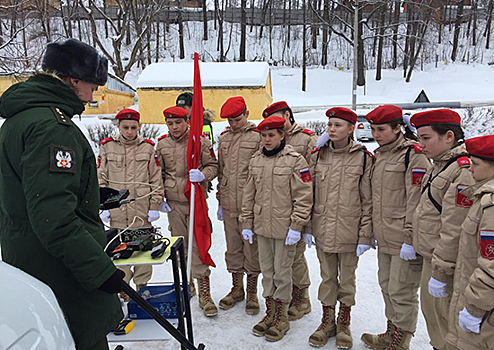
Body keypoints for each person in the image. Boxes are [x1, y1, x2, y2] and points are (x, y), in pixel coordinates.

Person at [0, 39, 123, 350]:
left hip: (27, 258)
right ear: (74, 80)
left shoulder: (19, 119)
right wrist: (100, 271)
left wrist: (88, 194)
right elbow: (53, 219)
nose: (94, 94)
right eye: (93, 86)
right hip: (61, 272)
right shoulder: (53, 128)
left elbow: (29, 191)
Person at [360, 105, 431, 350]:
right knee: (387, 287)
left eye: (381, 129)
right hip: (385, 237)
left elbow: (416, 202)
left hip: (404, 239)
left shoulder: (414, 156)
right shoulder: (379, 155)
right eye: (372, 129)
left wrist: (410, 239)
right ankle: (391, 332)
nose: (376, 134)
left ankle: (401, 341)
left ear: (397, 128)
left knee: (403, 292)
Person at [239, 116, 313, 342]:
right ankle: (270, 312)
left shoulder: (295, 161)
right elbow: (248, 194)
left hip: (284, 228)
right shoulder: (256, 160)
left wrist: (296, 226)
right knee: (268, 272)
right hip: (262, 227)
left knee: (282, 273)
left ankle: (281, 317)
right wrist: (247, 222)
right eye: (264, 135)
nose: (267, 140)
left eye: (272, 135)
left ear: (282, 135)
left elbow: (304, 196)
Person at [307, 107, 373, 348]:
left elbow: (368, 200)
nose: (332, 129)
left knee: (346, 279)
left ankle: (344, 322)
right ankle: (327, 321)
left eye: (338, 125)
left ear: (351, 128)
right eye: (330, 125)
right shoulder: (318, 155)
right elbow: (308, 193)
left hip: (349, 229)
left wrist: (365, 235)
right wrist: (306, 227)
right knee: (327, 278)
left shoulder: (363, 157)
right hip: (323, 227)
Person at [411, 109, 474, 350]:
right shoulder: (440, 165)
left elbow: (455, 228)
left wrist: (441, 270)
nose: (421, 144)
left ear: (449, 136)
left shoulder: (462, 171)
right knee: (434, 316)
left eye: (426, 138)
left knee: (447, 322)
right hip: (433, 256)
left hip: (446, 263)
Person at [155, 105, 219, 317]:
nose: (174, 127)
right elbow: (158, 173)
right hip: (174, 203)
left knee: (198, 246)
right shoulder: (162, 144)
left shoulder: (200, 141)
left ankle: (205, 294)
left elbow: (213, 166)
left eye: (178, 123)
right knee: (180, 247)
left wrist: (202, 175)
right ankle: (186, 285)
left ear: (187, 122)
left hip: (195, 202)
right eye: (170, 123)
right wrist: (160, 198)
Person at [97, 108, 163, 295]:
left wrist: (155, 205)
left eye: (133, 127)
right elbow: (100, 177)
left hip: (141, 209)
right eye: (125, 127)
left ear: (139, 126)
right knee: (119, 251)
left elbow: (156, 180)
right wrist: (102, 204)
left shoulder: (148, 148)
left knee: (143, 251)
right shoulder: (107, 147)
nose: (129, 131)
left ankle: (142, 287)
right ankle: (123, 289)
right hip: (117, 211)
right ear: (118, 126)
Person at [262, 101, 316, 321]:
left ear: (287, 114)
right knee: (280, 261)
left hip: (299, 209)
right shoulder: (269, 137)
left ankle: (301, 298)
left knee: (295, 257)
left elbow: (312, 178)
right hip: (276, 210)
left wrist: (305, 219)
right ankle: (286, 299)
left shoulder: (305, 139)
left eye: (277, 118)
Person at [444, 134, 494, 350]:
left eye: (476, 163)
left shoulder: (491, 206)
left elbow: (490, 264)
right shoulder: (482, 196)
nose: (470, 169)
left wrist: (475, 308)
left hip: (484, 311)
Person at [216, 96, 262, 314]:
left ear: (246, 113)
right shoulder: (224, 139)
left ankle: (252, 292)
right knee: (233, 248)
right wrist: (219, 200)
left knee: (251, 250)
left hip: (250, 205)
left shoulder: (258, 137)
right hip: (228, 203)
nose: (232, 124)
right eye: (229, 120)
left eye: (236, 119)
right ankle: (237, 289)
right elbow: (222, 171)